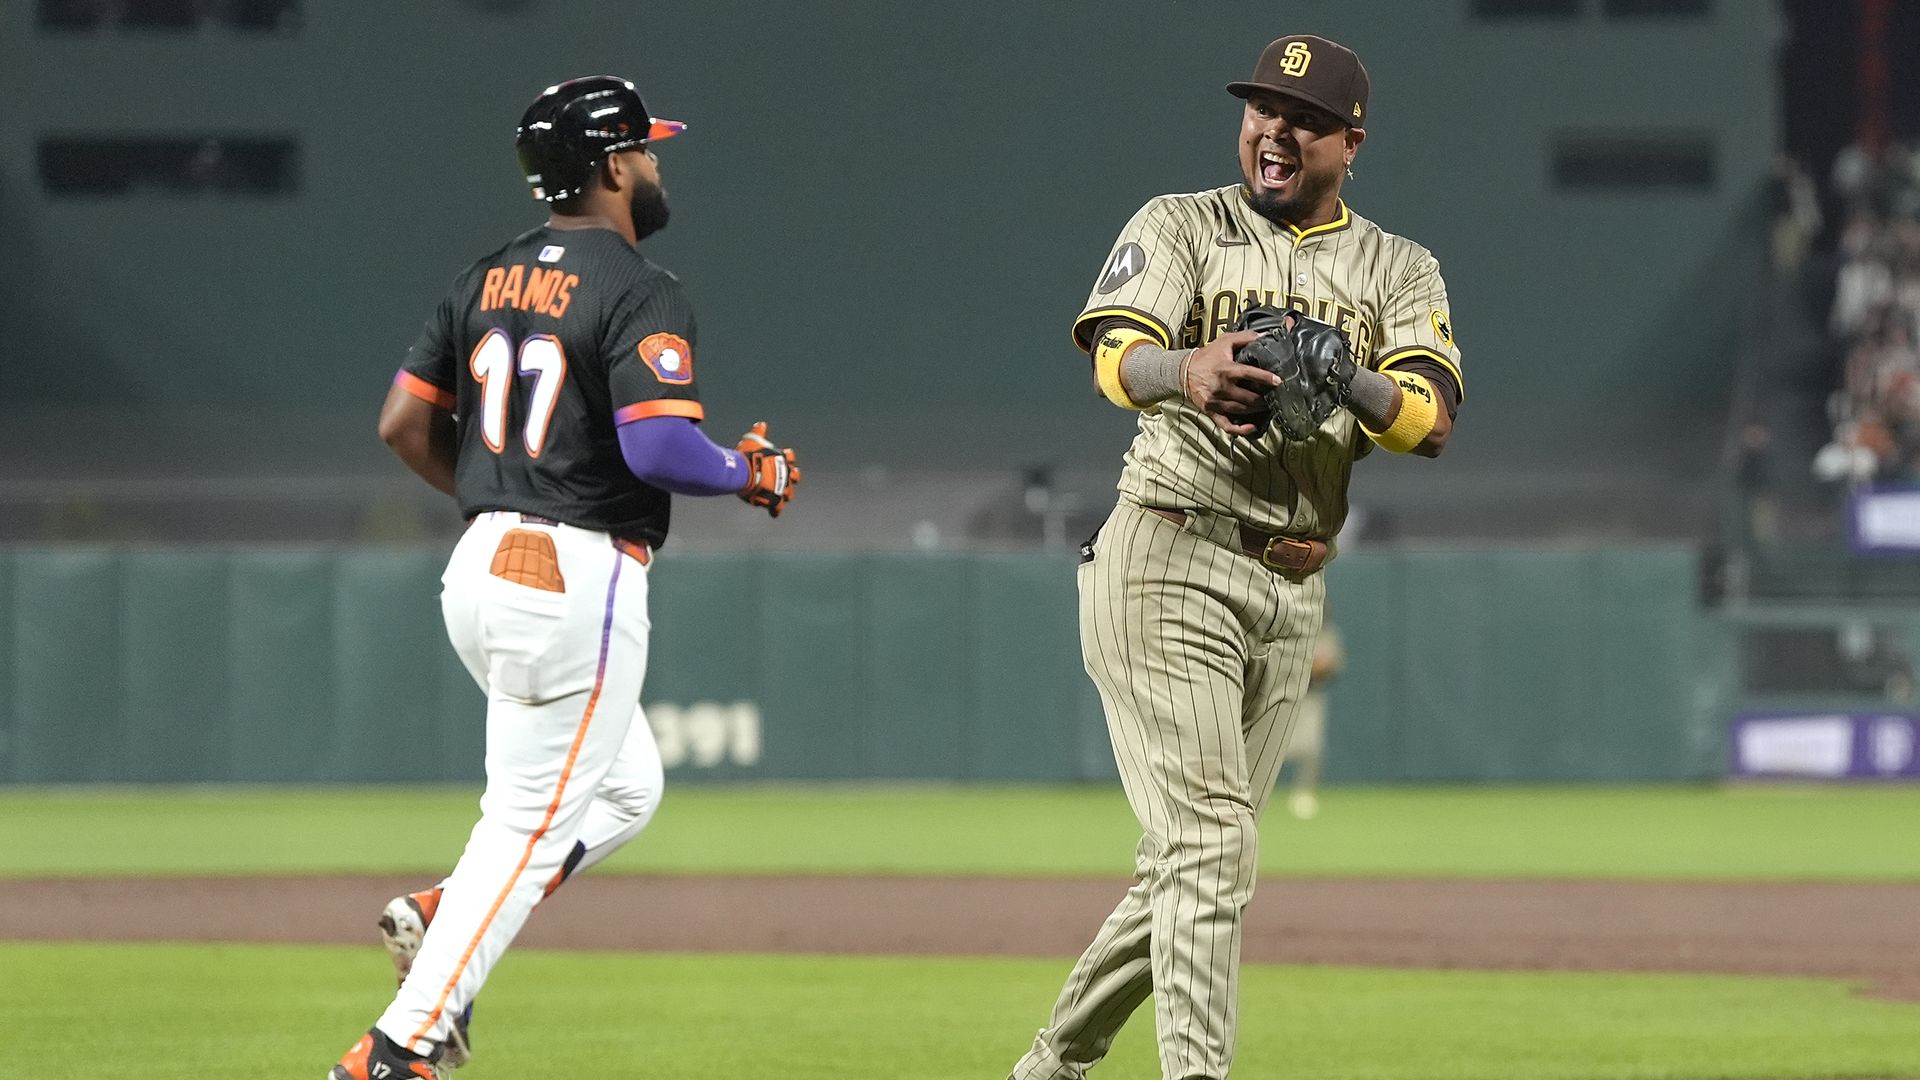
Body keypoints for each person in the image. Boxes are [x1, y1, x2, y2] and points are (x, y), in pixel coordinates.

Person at [326, 75, 800, 1080]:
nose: (657, 165)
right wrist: (746, 470)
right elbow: (662, 452)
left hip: (480, 568)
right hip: (572, 575)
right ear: (615, 163)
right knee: (526, 831)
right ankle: (399, 1049)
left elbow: (402, 425)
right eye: (648, 150)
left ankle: (445, 913)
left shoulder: (485, 277)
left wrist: (506, 496)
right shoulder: (638, 285)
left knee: (627, 785)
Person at [1008, 35, 1462, 1080]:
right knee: (1212, 849)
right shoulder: (1182, 223)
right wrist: (1188, 369)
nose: (1274, 129)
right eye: (1261, 108)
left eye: (1302, 117)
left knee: (1196, 860)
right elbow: (1117, 360)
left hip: (1292, 585)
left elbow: (1429, 423)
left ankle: (1049, 1067)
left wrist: (1346, 376)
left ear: (1350, 140)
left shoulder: (1399, 267)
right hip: (1169, 549)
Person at [1285, 625, 1344, 820]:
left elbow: (1334, 665)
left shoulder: (1327, 635)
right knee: (1275, 747)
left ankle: (1305, 792)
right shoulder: (1289, 626)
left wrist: (1320, 666)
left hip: (1311, 695)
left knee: (1312, 749)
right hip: (1283, 695)